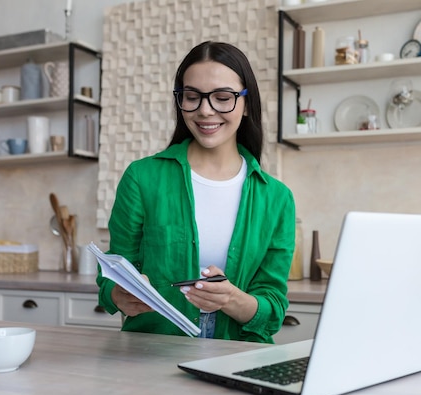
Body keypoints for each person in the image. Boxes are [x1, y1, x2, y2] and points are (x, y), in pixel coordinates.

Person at [96, 41, 295, 343]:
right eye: (192, 97)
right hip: (153, 356)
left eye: (222, 97)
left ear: (246, 105)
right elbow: (112, 272)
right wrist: (118, 295)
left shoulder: (277, 198)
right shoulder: (142, 177)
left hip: (237, 357)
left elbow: (273, 309)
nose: (205, 110)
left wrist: (231, 299)